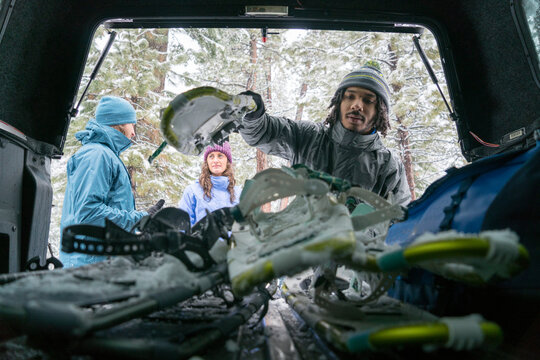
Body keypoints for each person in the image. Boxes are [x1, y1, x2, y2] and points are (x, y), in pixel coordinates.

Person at [239, 61, 411, 206]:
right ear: (339, 102)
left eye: (367, 100)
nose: (357, 105)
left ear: (379, 111)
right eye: (350, 97)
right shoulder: (308, 137)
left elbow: (398, 222)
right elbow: (264, 132)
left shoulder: (389, 166)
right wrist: (253, 115)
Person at [59, 96, 164, 268]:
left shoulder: (105, 155)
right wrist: (139, 219)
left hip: (102, 262)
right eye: (132, 124)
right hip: (91, 266)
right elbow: (88, 213)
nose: (134, 132)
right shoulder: (97, 155)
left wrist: (141, 224)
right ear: (119, 122)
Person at [178, 142, 241, 227]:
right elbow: (182, 226)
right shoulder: (192, 191)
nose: (215, 160)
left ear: (227, 161)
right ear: (207, 161)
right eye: (211, 156)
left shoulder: (238, 193)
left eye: (220, 156)